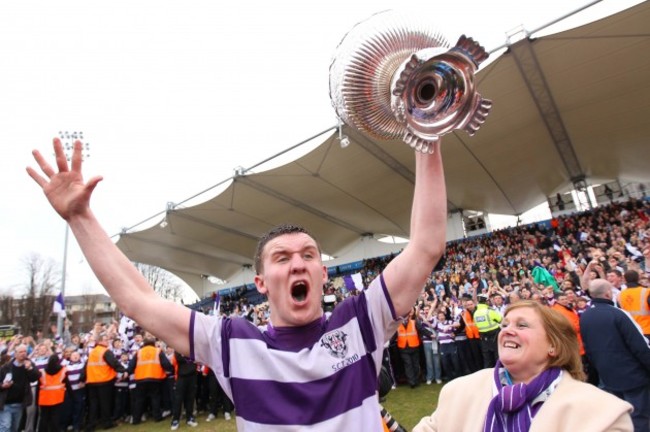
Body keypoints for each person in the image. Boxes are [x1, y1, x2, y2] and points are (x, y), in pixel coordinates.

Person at [27, 137, 447, 430]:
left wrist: (427, 138)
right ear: (261, 283)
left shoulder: (360, 323)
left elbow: (426, 245)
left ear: (323, 274)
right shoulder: (233, 343)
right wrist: (81, 218)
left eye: (309, 255)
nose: (298, 264)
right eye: (282, 258)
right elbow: (138, 299)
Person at [413, 300, 634, 432]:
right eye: (505, 324)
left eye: (522, 325)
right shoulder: (459, 390)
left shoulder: (603, 413)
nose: (507, 330)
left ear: (553, 346)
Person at [580, 279, 650, 432]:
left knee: (621, 418)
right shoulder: (618, 314)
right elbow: (639, 345)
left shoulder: (585, 316)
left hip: (609, 377)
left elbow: (588, 348)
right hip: (633, 376)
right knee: (639, 418)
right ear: (608, 293)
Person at [128, 337, 173, 425]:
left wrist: (127, 372)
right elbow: (166, 364)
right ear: (154, 343)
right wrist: (171, 370)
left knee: (139, 399)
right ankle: (157, 417)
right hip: (154, 377)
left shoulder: (139, 352)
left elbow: (131, 365)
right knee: (155, 398)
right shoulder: (158, 351)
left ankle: (136, 419)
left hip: (140, 378)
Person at [84, 333, 124, 431]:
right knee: (105, 404)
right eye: (105, 339)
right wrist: (124, 371)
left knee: (93, 405)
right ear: (100, 341)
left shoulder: (92, 352)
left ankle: (91, 425)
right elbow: (114, 363)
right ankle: (107, 423)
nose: (107, 341)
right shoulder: (105, 351)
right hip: (104, 381)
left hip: (92, 381)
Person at [0, 345, 41, 432]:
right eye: (21, 352)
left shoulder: (29, 364)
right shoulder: (6, 367)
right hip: (5, 403)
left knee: (15, 427)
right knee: (5, 426)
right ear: (15, 354)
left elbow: (36, 377)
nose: (23, 354)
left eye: (25, 352)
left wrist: (30, 368)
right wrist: (3, 386)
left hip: (19, 403)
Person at [37, 354, 67, 432]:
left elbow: (38, 385)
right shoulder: (62, 370)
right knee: (55, 417)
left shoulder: (42, 371)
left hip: (44, 398)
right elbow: (66, 383)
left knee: (44, 418)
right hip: (57, 397)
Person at [396, 307, 423, 388]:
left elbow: (421, 329)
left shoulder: (414, 322)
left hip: (414, 346)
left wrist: (430, 334)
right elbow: (394, 335)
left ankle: (416, 380)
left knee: (415, 364)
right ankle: (412, 383)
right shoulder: (397, 324)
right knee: (408, 365)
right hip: (403, 348)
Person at [619, 269, 650, 339]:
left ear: (624, 279)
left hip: (630, 331)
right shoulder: (647, 291)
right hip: (647, 329)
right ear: (638, 278)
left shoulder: (620, 295)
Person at [473, 294, 502, 368]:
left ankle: (488, 375)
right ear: (486, 301)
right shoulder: (489, 311)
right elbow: (500, 319)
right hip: (494, 335)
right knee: (497, 356)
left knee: (487, 358)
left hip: (483, 337)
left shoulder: (475, 313)